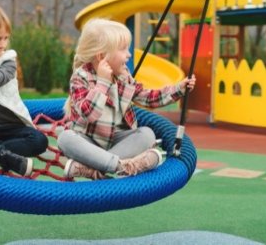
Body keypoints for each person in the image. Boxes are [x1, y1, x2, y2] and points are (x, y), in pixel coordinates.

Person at [58, 18, 196, 180]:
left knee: (147, 134)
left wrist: (179, 89)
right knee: (65, 138)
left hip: (118, 141)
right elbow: (89, 114)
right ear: (102, 56)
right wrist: (102, 83)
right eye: (123, 50)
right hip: (88, 141)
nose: (129, 54)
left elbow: (148, 98)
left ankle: (94, 170)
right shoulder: (81, 77)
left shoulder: (124, 76)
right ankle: (123, 167)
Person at [0, 1, 48, 176]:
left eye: (5, 38)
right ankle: (6, 157)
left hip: (10, 127)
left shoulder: (7, 60)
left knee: (39, 140)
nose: (2, 44)